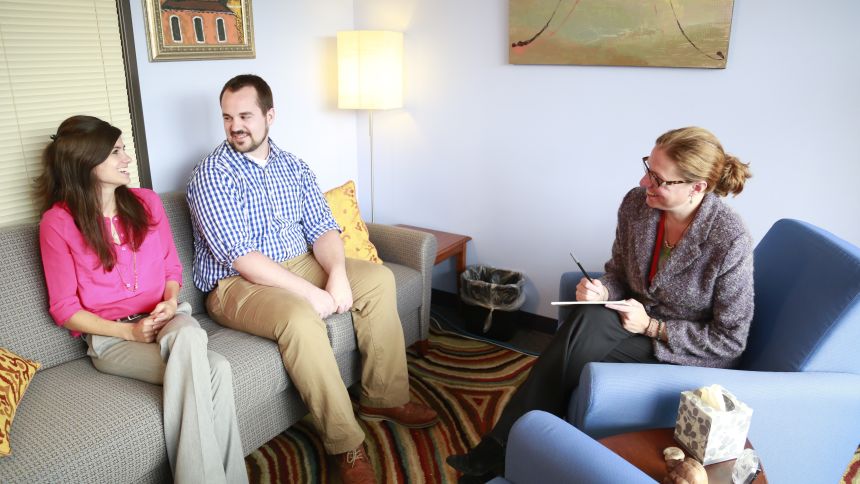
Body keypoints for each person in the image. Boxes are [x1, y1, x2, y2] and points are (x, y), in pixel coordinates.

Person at [447, 126, 755, 481]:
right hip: (631, 321)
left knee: (569, 353)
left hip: (683, 348)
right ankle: (515, 449)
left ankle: (503, 448)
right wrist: (603, 291)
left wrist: (655, 327)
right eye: (647, 168)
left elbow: (730, 339)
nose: (644, 182)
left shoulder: (729, 239)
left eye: (658, 179)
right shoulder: (637, 206)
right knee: (587, 319)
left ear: (697, 187)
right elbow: (618, 274)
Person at [186, 74, 438, 484]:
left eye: (245, 115)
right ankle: (346, 444)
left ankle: (384, 397)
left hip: (298, 261)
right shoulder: (211, 175)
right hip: (237, 284)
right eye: (227, 117)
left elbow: (323, 228)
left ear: (270, 115)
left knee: (376, 279)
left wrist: (337, 274)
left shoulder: (294, 166)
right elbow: (243, 258)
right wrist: (310, 293)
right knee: (301, 318)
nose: (236, 126)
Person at [36, 116, 247, 484]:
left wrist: (169, 300)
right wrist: (132, 333)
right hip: (114, 339)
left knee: (187, 335)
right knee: (216, 369)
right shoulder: (58, 224)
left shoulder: (146, 203)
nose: (127, 158)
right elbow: (65, 310)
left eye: (124, 149)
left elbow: (171, 268)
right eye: (116, 152)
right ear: (88, 161)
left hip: (169, 318)